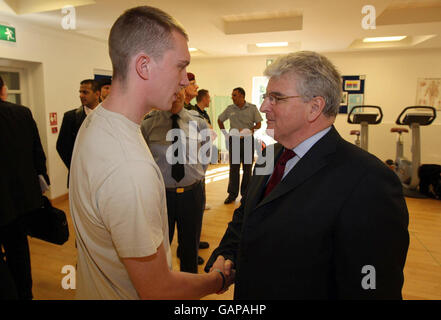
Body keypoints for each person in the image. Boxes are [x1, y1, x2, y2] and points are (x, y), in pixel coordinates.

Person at [205, 51, 409, 299]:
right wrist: (226, 255)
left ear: (314, 107)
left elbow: (373, 288)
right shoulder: (270, 156)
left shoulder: (368, 180)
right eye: (265, 96)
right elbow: (246, 219)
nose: (263, 107)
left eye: (276, 98)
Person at [69, 6, 232, 300]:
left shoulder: (95, 121)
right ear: (144, 66)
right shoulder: (131, 167)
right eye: (180, 66)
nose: (185, 81)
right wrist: (218, 279)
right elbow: (159, 290)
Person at [141, 88, 210, 273]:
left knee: (190, 248)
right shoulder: (148, 125)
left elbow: (206, 156)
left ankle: (190, 291)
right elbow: (141, 160)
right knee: (159, 248)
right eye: (169, 89)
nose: (175, 94)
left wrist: (194, 176)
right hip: (161, 196)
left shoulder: (199, 123)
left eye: (179, 90)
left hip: (192, 195)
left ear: (184, 93)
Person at [0, 75, 50, 300]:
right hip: (19, 202)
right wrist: (42, 185)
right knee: (19, 252)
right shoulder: (22, 114)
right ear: (4, 90)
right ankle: (24, 294)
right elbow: (37, 154)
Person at [218, 87, 262, 204]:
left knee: (247, 169)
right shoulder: (230, 109)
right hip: (235, 141)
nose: (232, 97)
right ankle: (232, 195)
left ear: (242, 96)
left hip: (248, 141)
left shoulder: (252, 108)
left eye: (234, 95)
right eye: (232, 95)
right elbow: (220, 120)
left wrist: (250, 130)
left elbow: (259, 124)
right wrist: (225, 134)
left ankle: (246, 195)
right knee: (234, 168)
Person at [56, 79, 100, 185]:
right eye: (80, 92)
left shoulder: (110, 116)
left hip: (104, 175)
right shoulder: (70, 117)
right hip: (80, 177)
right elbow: (62, 146)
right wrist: (77, 167)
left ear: (97, 94)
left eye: (85, 92)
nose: (81, 95)